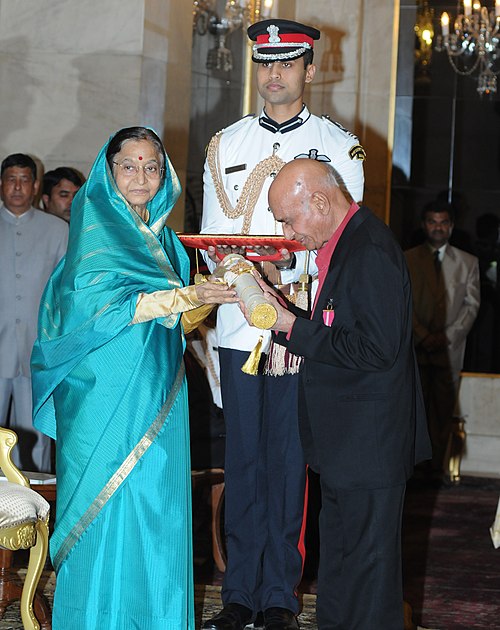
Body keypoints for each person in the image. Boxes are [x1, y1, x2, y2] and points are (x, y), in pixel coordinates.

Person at [30, 127, 238, 629]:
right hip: (104, 389)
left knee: (155, 504)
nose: (141, 176)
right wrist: (192, 296)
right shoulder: (97, 225)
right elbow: (102, 308)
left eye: (152, 166)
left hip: (158, 387)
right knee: (104, 510)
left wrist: (206, 296)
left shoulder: (164, 236)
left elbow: (174, 321)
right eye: (129, 165)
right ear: (109, 171)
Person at [201, 18, 365, 630]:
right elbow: (217, 240)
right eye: (265, 63)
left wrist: (296, 309)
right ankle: (239, 590)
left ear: (310, 70)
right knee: (242, 462)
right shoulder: (225, 144)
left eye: (287, 63)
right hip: (242, 329)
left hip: (301, 331)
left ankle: (278, 596)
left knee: (288, 464)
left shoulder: (340, 147)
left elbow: (340, 244)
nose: (274, 74)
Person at [239, 158, 431, 630]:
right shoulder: (346, 244)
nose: (286, 230)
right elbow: (335, 330)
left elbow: (375, 349)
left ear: (320, 201)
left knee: (368, 581)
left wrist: (288, 325)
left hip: (369, 444)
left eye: (288, 217)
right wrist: (278, 308)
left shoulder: (368, 249)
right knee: (343, 572)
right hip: (349, 445)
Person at [0, 153, 68, 472]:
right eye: (11, 179)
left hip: (37, 349)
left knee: (37, 434)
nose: (17, 187)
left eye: (24, 180)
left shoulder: (57, 231)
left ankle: (35, 511)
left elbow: (65, 293)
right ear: (1, 184)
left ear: (35, 185)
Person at [405, 201, 480, 474]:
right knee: (413, 412)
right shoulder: (407, 258)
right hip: (414, 348)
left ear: (451, 226)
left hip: (450, 352)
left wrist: (446, 337)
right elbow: (402, 303)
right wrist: (422, 335)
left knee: (443, 413)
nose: (438, 227)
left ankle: (437, 472)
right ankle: (414, 471)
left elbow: (471, 306)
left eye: (443, 222)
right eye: (432, 221)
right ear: (425, 224)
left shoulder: (468, 262)